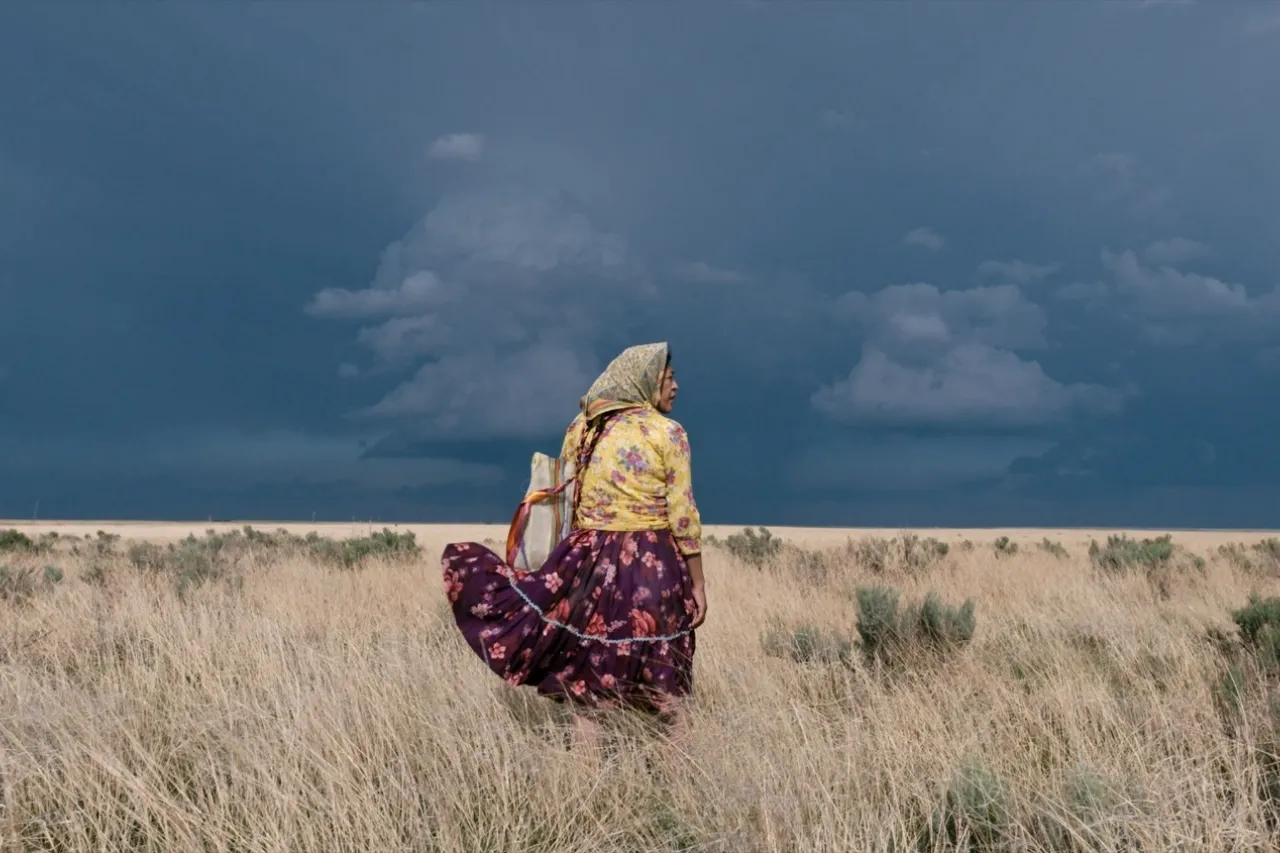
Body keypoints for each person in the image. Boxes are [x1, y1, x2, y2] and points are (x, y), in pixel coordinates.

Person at [440, 342, 707, 748]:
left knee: (587, 688)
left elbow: (567, 498)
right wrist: (699, 584)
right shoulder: (667, 433)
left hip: (587, 562)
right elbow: (683, 514)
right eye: (668, 378)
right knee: (666, 682)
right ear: (646, 380)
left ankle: (584, 792)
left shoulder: (583, 427)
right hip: (652, 563)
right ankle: (682, 786)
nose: (676, 386)